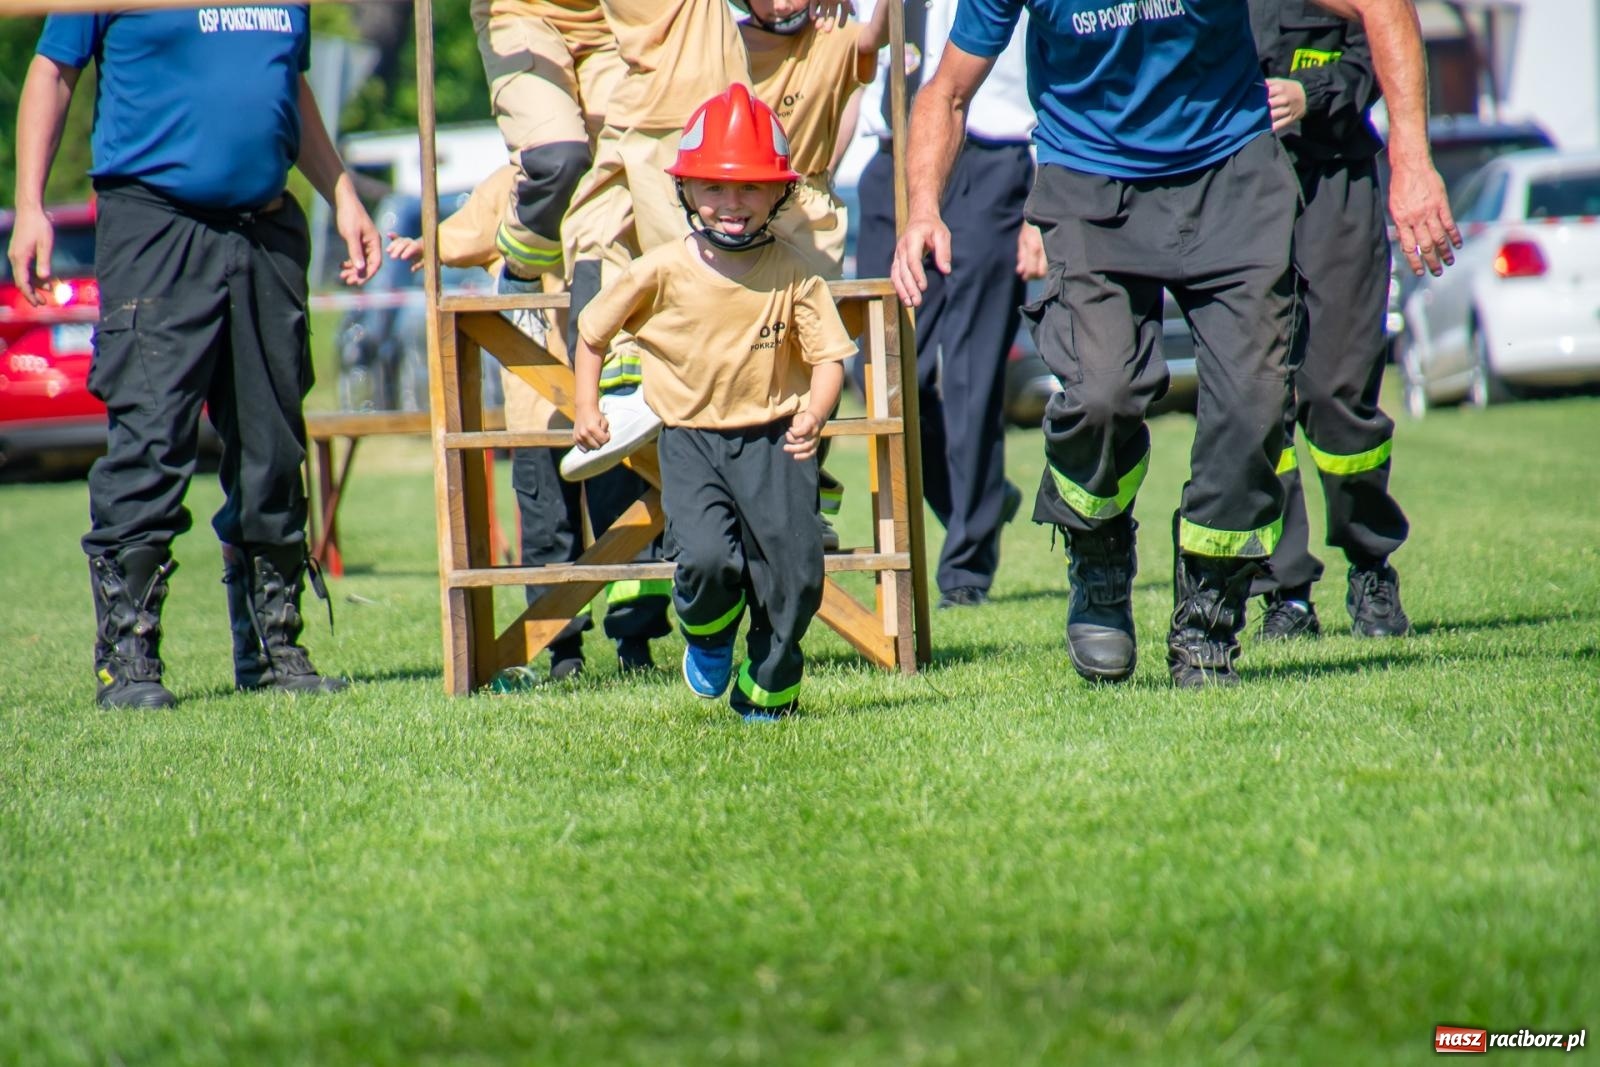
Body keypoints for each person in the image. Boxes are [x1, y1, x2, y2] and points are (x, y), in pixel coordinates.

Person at [891, 0, 1457, 687]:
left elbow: (1379, 6)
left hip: (1230, 175)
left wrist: (1412, 158)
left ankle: (1208, 617)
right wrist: (923, 208)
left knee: (1254, 406)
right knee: (1101, 393)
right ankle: (1098, 554)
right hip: (1090, 179)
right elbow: (947, 92)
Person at [9, 6, 381, 709]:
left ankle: (272, 647)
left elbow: (288, 88)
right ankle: (129, 659)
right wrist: (29, 205)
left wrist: (340, 190)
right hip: (156, 226)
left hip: (265, 231)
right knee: (151, 442)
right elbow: (52, 71)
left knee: (273, 449)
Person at [570, 85, 857, 720]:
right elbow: (592, 333)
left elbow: (829, 359)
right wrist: (585, 407)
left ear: (778, 193)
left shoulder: (796, 271)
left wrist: (814, 412)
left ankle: (768, 687)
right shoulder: (662, 268)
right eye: (715, 187)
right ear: (687, 192)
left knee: (798, 575)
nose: (732, 203)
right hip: (691, 439)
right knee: (703, 558)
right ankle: (707, 630)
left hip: (777, 439)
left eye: (751, 188)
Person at [469, 0, 670, 679]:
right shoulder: (513, 181)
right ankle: (558, 648)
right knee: (547, 515)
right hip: (539, 388)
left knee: (627, 504)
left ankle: (635, 638)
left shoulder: (622, 180)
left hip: (606, 384)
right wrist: (420, 244)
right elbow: (463, 236)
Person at [855, 0, 1040, 610]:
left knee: (971, 373)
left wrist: (1040, 206)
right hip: (895, 156)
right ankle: (976, 500)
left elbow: (1052, 65)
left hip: (992, 154)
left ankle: (966, 568)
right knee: (880, 366)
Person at [1248, 0, 1411, 640]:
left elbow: (1378, 46)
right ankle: (1283, 592)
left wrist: (1309, 93)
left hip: (1335, 179)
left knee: (1335, 392)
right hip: (1239, 191)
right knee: (1256, 399)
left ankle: (1371, 562)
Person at [734, 0, 895, 547]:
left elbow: (880, 32)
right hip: (738, 208)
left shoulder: (835, 36)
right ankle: (756, 493)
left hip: (807, 211)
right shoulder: (720, 43)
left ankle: (804, 490)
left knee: (809, 354)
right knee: (741, 357)